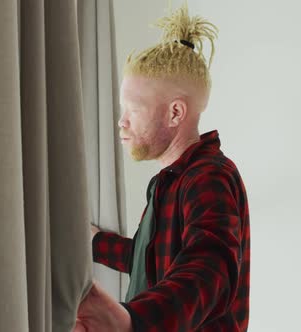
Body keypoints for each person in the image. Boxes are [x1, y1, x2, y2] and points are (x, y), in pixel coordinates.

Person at [74, 3, 250, 332]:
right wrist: (96, 242)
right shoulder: (168, 182)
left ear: (175, 113)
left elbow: (209, 268)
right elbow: (152, 260)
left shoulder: (209, 177)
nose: (121, 121)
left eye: (133, 109)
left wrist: (132, 320)